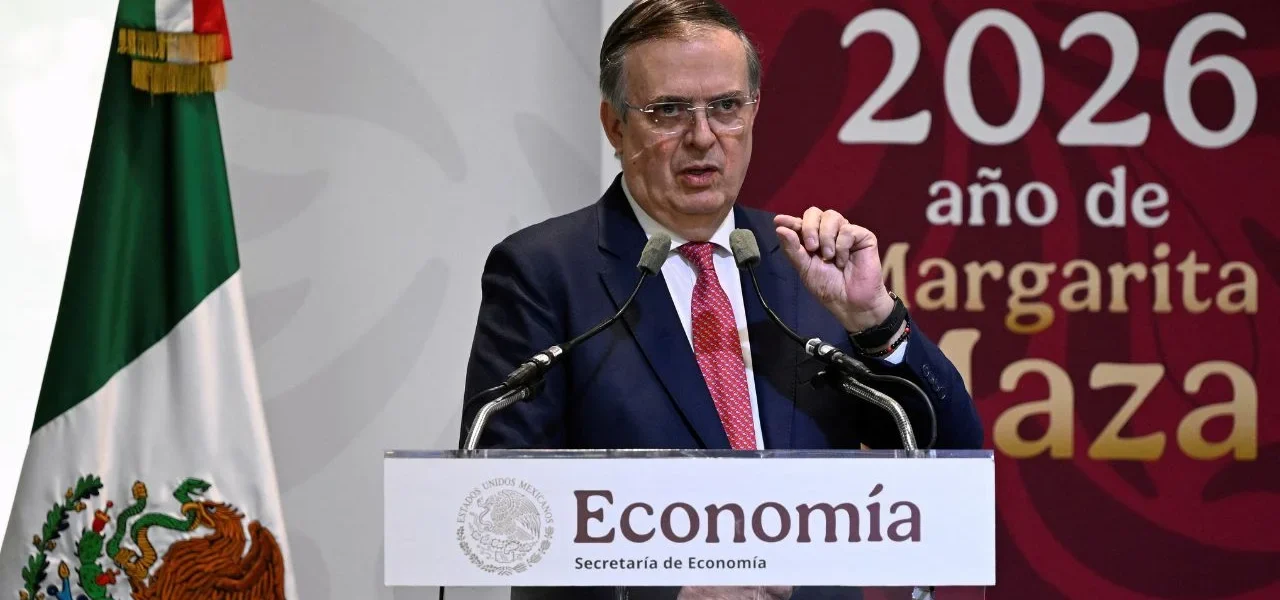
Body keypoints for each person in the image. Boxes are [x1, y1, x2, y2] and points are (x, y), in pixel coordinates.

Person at [459, 1, 983, 598]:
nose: (703, 137)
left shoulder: (804, 263)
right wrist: (667, 590)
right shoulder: (544, 271)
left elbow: (949, 455)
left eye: (726, 107)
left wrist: (874, 321)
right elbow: (505, 504)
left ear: (753, 113)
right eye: (669, 110)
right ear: (615, 125)